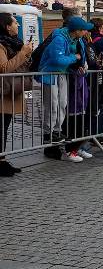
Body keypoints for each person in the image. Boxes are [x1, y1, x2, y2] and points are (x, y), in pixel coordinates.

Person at [38, 16, 93, 145]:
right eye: (84, 29)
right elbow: (57, 60)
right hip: (50, 75)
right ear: (77, 30)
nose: (86, 32)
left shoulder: (74, 39)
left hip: (62, 74)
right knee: (52, 104)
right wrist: (74, 57)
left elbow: (71, 60)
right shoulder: (59, 39)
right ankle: (48, 132)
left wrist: (78, 67)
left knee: (62, 103)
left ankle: (57, 130)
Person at [0, 12, 34, 175]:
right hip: (3, 92)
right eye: (15, 23)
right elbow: (4, 68)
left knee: (4, 128)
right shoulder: (1, 45)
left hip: (10, 91)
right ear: (7, 27)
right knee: (1, 128)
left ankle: (2, 160)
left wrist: (27, 54)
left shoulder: (14, 43)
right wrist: (22, 53)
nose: (18, 25)